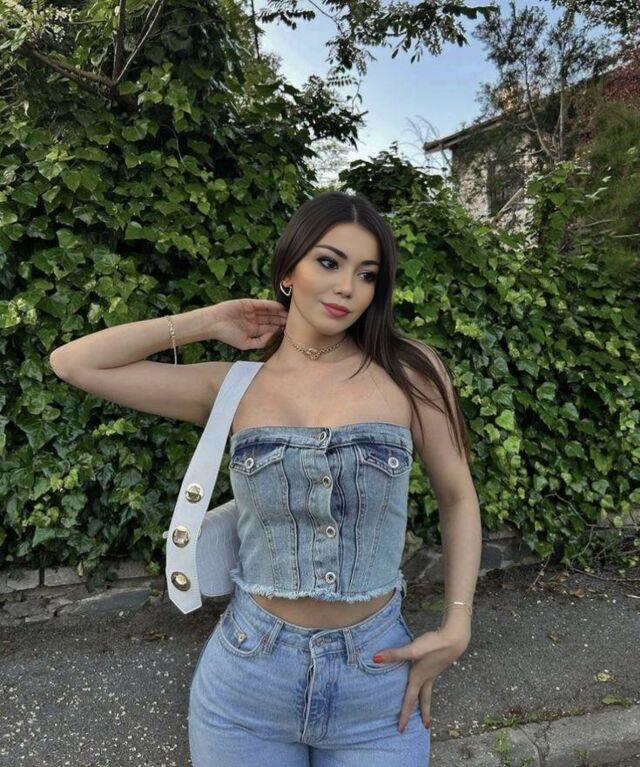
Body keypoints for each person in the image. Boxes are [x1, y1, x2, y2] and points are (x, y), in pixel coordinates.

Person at [49, 190, 482, 766]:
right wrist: (208, 321)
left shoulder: (410, 372)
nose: (347, 287)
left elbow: (457, 497)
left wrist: (457, 624)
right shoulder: (232, 386)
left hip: (377, 681)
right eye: (328, 262)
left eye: (367, 274)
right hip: (248, 681)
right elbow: (74, 362)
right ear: (288, 271)